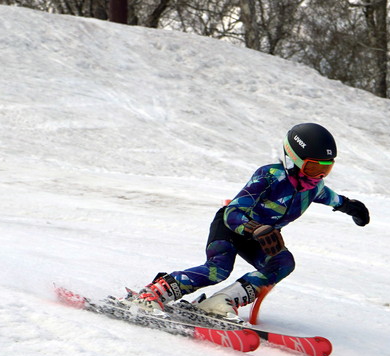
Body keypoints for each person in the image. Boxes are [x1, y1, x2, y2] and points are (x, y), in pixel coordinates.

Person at [124, 123, 370, 321]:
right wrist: (256, 228)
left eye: (326, 169)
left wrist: (352, 208)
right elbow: (233, 212)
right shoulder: (270, 176)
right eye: (314, 167)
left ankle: (221, 302)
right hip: (231, 227)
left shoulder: (313, 189)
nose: (318, 176)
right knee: (218, 269)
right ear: (292, 159)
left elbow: (333, 198)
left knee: (283, 262)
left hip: (261, 237)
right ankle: (155, 293)